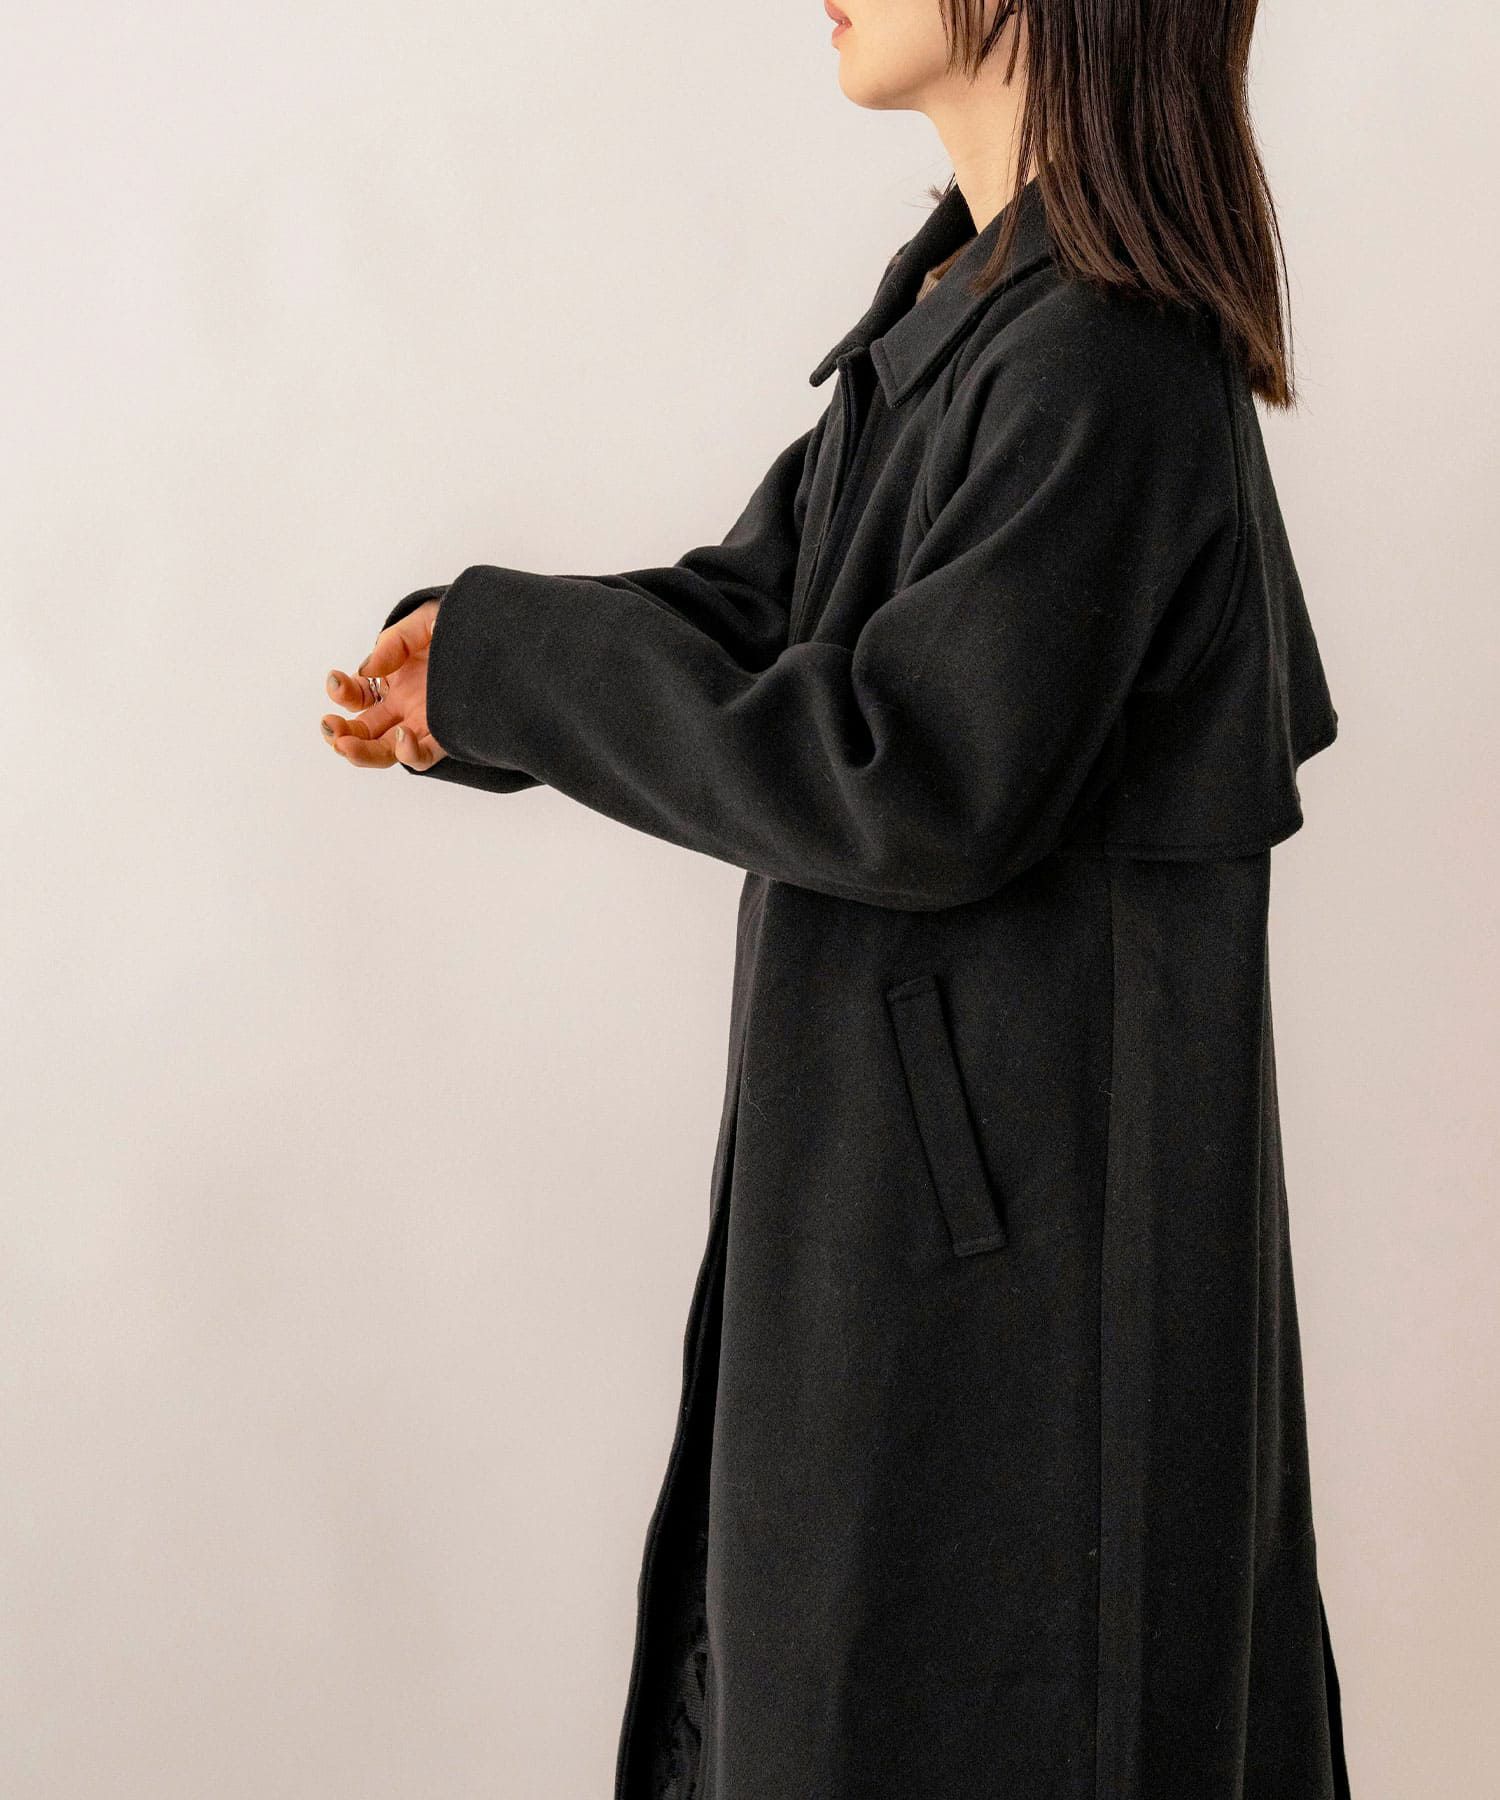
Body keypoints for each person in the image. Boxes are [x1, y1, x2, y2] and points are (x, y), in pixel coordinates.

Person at [320, 3, 1351, 1795]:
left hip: (1018, 1329)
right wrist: (469, 675)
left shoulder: (1105, 365)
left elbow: (900, 773)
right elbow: (757, 619)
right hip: (908, 1265)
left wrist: (512, 669)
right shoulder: (967, 316)